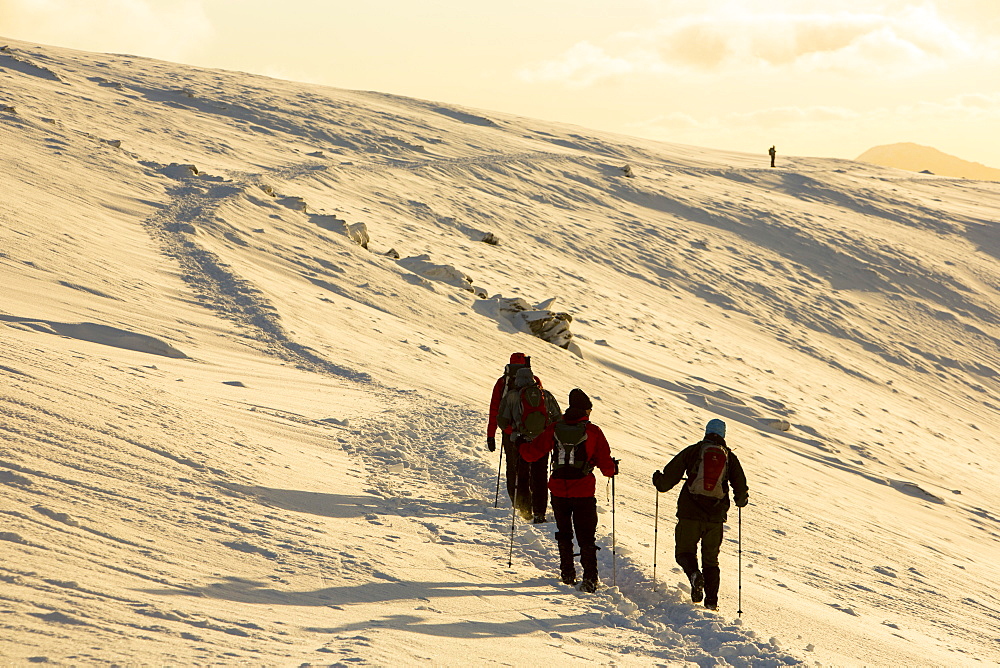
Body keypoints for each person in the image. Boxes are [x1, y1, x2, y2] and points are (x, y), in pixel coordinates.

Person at [521, 389, 617, 592]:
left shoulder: (555, 428)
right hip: (583, 491)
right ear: (585, 411)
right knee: (586, 536)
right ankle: (590, 578)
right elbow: (607, 467)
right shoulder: (593, 431)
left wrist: (521, 445)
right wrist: (613, 468)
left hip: (558, 490)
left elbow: (532, 454)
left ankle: (567, 573)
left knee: (564, 532)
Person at [653, 419, 747, 610]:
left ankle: (695, 576)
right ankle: (711, 602)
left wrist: (659, 481)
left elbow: (668, 479)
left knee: (684, 552)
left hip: (690, 513)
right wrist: (740, 500)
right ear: (723, 435)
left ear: (707, 432)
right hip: (715, 518)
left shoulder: (694, 451)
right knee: (711, 560)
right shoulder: (730, 457)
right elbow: (741, 490)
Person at [497, 367, 561, 523]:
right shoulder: (545, 395)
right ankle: (540, 513)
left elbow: (502, 421)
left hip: (520, 441)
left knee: (522, 474)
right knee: (540, 476)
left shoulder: (512, 396)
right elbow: (558, 418)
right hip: (541, 441)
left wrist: (514, 432)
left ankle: (525, 510)